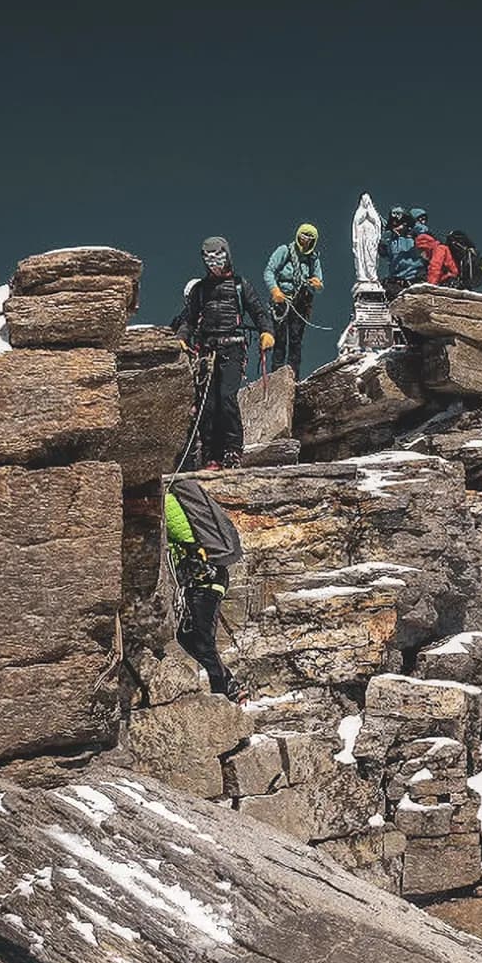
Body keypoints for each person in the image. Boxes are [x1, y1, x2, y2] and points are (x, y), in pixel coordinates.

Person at [169, 236, 275, 467]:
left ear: (227, 256)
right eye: (209, 259)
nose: (214, 263)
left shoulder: (240, 285)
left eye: (218, 257)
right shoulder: (199, 290)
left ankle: (233, 451)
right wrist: (181, 338)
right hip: (207, 351)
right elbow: (188, 319)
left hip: (233, 347)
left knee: (227, 398)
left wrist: (267, 331)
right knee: (208, 404)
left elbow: (258, 311)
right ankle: (211, 455)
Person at [164, 486, 240, 699]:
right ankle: (226, 682)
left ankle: (224, 689)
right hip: (204, 578)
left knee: (202, 640)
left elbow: (183, 534)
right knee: (186, 636)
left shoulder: (167, 502)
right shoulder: (171, 500)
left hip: (205, 579)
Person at [261, 222, 323, 376]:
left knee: (296, 342)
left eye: (310, 238)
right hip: (282, 302)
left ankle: (294, 378)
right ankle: (276, 376)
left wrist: (317, 284)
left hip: (301, 303)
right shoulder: (285, 251)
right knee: (280, 341)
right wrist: (275, 290)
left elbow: (319, 280)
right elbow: (269, 271)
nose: (306, 240)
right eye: (303, 236)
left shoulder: (313, 258)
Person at [379, 207, 425, 301]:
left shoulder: (415, 237)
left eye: (399, 222)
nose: (396, 226)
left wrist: (411, 224)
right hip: (397, 281)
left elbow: (424, 231)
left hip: (415, 277)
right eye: (393, 223)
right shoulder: (392, 241)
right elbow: (385, 252)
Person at [409, 208, 457, 286]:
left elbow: (435, 266)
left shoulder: (439, 248)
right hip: (444, 279)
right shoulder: (434, 248)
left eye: (422, 250)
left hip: (448, 279)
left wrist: (430, 284)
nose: (421, 253)